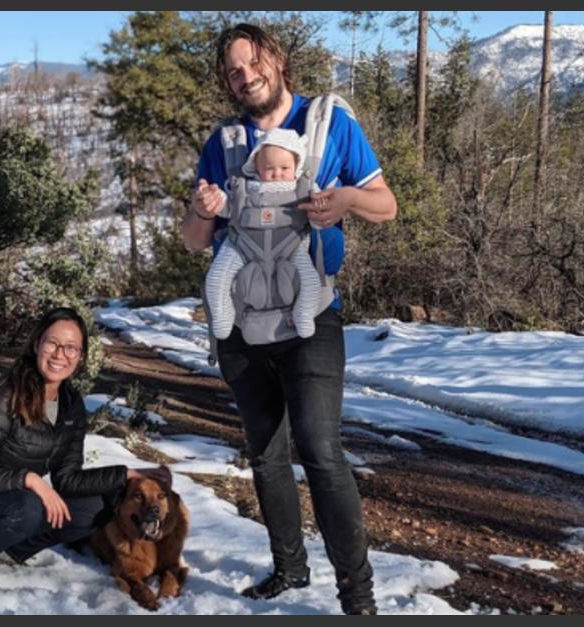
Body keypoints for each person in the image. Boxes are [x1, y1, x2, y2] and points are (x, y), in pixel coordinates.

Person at [182, 23, 397, 615]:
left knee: (320, 451)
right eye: (232, 70)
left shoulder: (328, 124)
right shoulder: (223, 142)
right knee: (265, 453)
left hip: (312, 317)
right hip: (241, 324)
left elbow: (387, 204)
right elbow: (195, 239)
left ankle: (358, 596)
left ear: (275, 59)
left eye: (252, 63)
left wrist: (348, 199)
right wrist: (202, 211)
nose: (245, 76)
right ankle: (289, 569)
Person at [0, 306, 167, 612]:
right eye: (52, 343)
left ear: (81, 357)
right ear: (37, 344)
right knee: (29, 506)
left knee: (97, 506)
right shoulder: (2, 398)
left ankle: (7, 554)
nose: (60, 354)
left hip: (3, 501)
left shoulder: (71, 405)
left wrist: (124, 474)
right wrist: (29, 479)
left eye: (71, 347)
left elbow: (69, 480)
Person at [203, 126, 326, 340]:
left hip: (290, 246)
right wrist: (215, 200)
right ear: (256, 167)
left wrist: (319, 209)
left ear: (296, 166)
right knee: (216, 277)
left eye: (284, 167)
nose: (277, 173)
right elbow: (229, 207)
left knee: (311, 280)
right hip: (242, 245)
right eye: (269, 168)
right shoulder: (245, 188)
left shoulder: (304, 190)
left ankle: (303, 314)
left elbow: (319, 221)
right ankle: (223, 316)